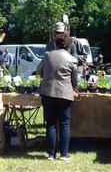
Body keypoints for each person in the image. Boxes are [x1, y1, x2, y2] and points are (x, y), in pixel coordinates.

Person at [37, 31, 78, 161]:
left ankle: (51, 154)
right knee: (64, 124)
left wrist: (47, 76)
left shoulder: (48, 55)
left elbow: (38, 71)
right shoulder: (72, 59)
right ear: (68, 45)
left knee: (51, 124)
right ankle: (64, 154)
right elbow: (75, 80)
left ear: (56, 43)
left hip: (48, 93)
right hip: (65, 94)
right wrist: (74, 88)